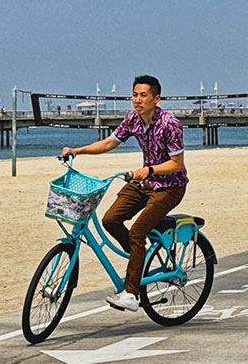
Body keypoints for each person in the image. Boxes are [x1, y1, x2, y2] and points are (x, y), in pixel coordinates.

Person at [61, 74, 188, 312]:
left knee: (138, 232)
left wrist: (149, 169)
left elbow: (177, 164)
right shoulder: (133, 119)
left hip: (170, 187)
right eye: (134, 95)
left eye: (143, 96)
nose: (137, 100)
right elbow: (109, 143)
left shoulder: (170, 124)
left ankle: (131, 293)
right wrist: (78, 151)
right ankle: (139, 259)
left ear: (156, 98)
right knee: (110, 220)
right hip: (144, 182)